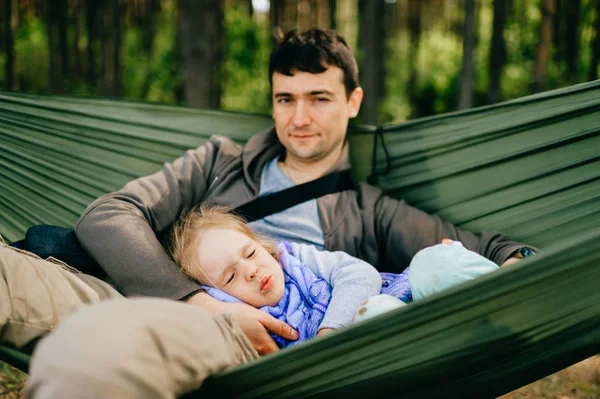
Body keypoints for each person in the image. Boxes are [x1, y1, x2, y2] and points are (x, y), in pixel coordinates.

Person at [72, 28, 535, 355]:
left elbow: (490, 250)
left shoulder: (369, 210)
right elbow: (107, 216)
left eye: (319, 98)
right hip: (188, 327)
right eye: (285, 99)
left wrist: (522, 270)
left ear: (353, 102)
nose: (299, 119)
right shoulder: (218, 163)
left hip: (293, 358)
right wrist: (203, 304)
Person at [168, 204, 502, 347]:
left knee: (433, 263)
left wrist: (331, 332)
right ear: (221, 299)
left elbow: (361, 274)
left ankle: (510, 297)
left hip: (395, 290)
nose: (252, 271)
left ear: (264, 247)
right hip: (378, 338)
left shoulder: (293, 259)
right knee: (378, 317)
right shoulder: (253, 330)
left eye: (251, 253)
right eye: (231, 278)